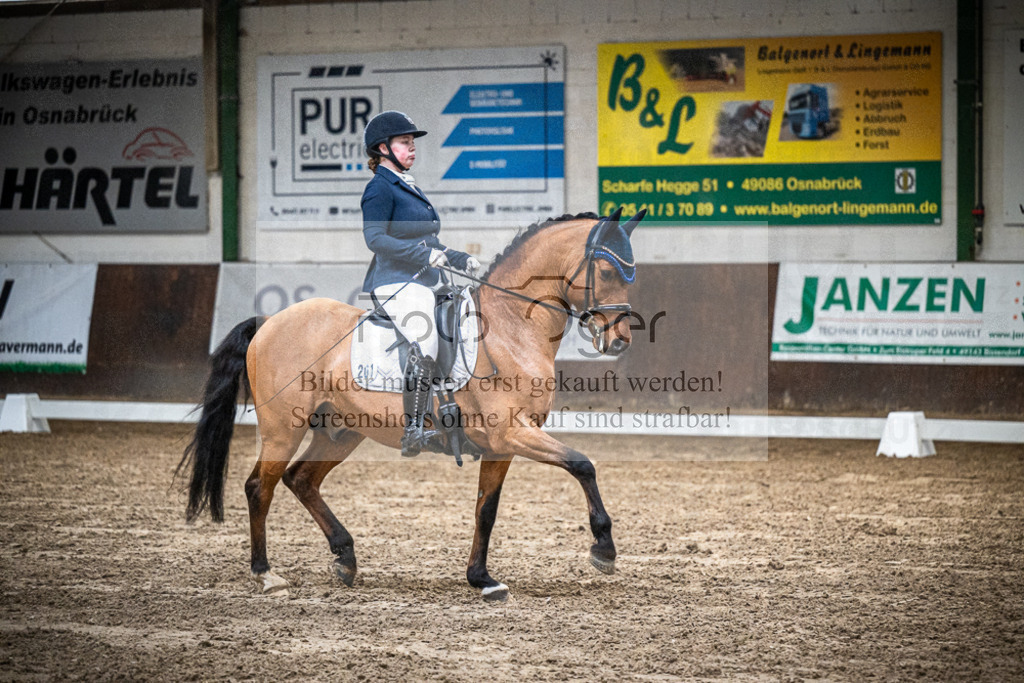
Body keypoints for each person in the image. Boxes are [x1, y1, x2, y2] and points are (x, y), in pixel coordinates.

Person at [360, 110, 480, 457]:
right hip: (396, 281)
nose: (412, 149)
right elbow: (375, 239)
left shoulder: (408, 185)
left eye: (412, 143)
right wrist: (422, 256)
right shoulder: (379, 188)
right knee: (426, 339)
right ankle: (413, 429)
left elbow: (430, 240)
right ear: (383, 148)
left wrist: (459, 258)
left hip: (427, 281)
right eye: (405, 143)